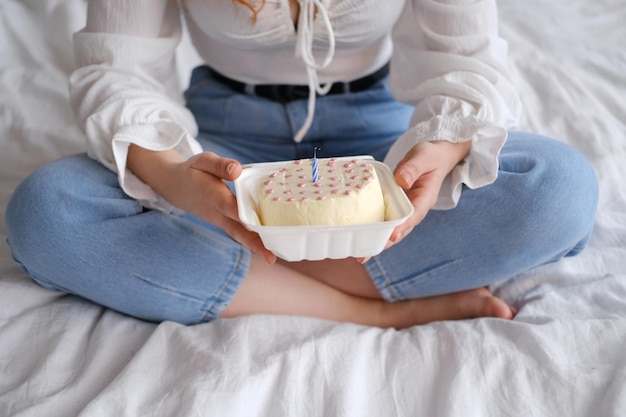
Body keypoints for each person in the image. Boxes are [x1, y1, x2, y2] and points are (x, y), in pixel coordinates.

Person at [5, 0, 598, 329]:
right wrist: (176, 179)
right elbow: (119, 70)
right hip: (223, 137)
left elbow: (465, 57)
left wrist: (443, 148)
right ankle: (375, 310)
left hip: (378, 135)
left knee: (559, 188)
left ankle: (251, 273)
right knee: (49, 212)